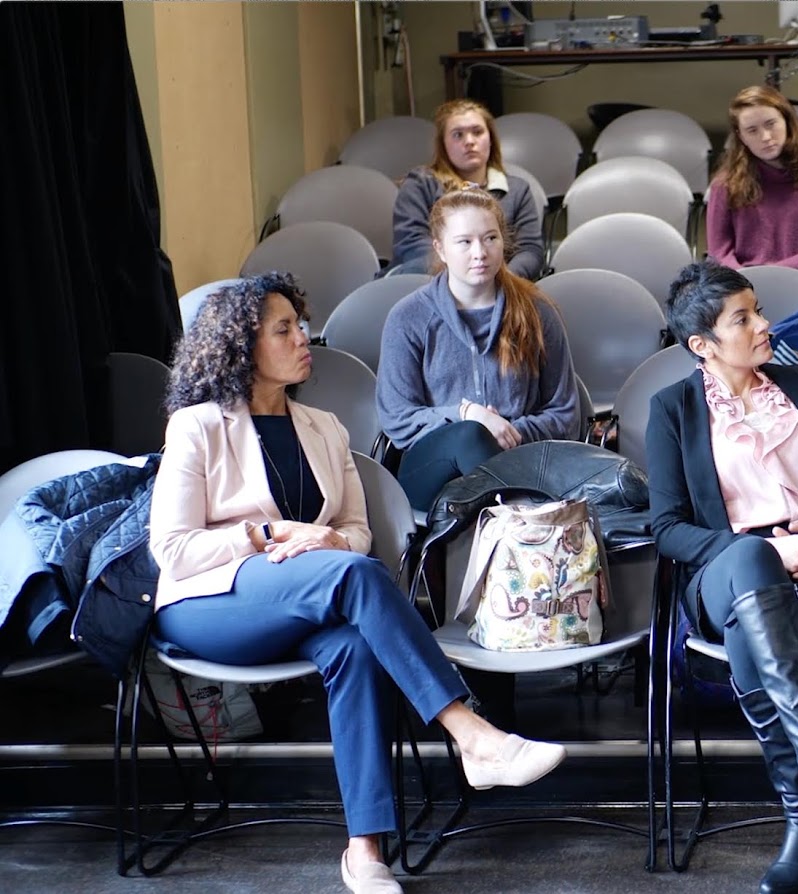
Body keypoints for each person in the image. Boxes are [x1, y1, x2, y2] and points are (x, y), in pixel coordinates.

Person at [150, 273, 566, 894]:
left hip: (309, 599)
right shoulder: (198, 426)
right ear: (241, 345)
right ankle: (471, 733)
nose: (302, 338)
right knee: (354, 579)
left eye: (301, 324)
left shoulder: (325, 427)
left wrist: (329, 541)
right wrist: (269, 536)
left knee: (355, 643)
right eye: (283, 329)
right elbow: (173, 550)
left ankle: (364, 851)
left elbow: (355, 532)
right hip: (209, 605)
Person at [648, 261, 798, 894]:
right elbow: (668, 527)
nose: (764, 326)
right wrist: (769, 554)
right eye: (743, 319)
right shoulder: (672, 409)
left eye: (758, 310)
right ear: (702, 344)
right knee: (755, 565)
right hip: (726, 572)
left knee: (758, 632)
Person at [378, 187, 580, 512]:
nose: (480, 253)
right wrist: (468, 415)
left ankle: (513, 522)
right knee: (469, 435)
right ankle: (524, 525)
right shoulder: (408, 317)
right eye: (465, 242)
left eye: (490, 238)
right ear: (440, 249)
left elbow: (565, 413)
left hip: (524, 459)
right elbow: (398, 418)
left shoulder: (537, 311)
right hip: (433, 470)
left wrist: (508, 432)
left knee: (479, 439)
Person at [706, 85, 798, 298]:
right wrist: (749, 280)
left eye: (771, 124)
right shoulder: (725, 184)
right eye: (752, 130)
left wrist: (769, 276)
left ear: (787, 122)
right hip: (743, 287)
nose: (765, 136)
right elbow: (719, 253)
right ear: (741, 136)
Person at [391, 99, 545, 279]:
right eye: (458, 135)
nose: (470, 141)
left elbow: (530, 250)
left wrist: (500, 280)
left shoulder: (518, 189)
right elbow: (411, 244)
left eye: (477, 132)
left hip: (500, 284)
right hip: (430, 282)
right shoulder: (420, 183)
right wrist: (462, 278)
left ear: (491, 139)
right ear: (443, 144)